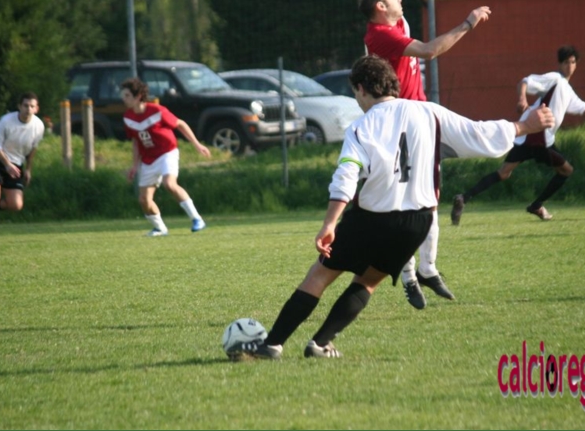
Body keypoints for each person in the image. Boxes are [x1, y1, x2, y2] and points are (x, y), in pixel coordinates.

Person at [230, 55, 555, 360]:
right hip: (416, 222)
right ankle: (320, 343)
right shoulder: (429, 113)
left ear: (361, 88)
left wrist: (330, 222)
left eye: (355, 92)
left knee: (320, 275)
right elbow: (479, 133)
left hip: (371, 218)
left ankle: (272, 344)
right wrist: (524, 127)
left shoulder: (362, 126)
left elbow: (346, 175)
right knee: (368, 281)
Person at [359, 0, 492, 308]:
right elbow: (431, 51)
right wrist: (467, 23)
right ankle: (409, 274)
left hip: (419, 116)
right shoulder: (381, 35)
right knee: (409, 201)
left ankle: (426, 270)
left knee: (427, 196)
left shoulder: (388, 17)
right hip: (401, 122)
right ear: (381, 8)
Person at [451, 45, 585, 224]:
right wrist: (522, 98)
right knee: (566, 170)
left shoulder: (566, 89)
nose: (569, 66)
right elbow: (525, 82)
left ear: (576, 64)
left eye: (573, 62)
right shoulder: (555, 79)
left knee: (504, 173)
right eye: (566, 62)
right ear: (560, 64)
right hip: (538, 138)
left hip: (528, 138)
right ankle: (536, 205)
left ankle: (463, 198)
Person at [120, 78, 211, 236]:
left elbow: (180, 124)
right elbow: (136, 142)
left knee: (169, 184)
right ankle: (160, 228)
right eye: (123, 96)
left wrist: (197, 144)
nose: (124, 99)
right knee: (144, 200)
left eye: (127, 95)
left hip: (167, 153)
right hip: (148, 159)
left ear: (138, 96)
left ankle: (197, 219)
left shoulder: (157, 111)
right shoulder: (128, 117)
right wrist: (134, 165)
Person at [0, 92, 45, 245]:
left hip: (16, 164)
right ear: (19, 106)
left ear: (37, 109)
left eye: (32, 106)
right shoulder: (6, 122)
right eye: (25, 105)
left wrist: (28, 169)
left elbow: (33, 149)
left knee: (16, 205)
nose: (28, 109)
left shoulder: (38, 126)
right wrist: (7, 164)